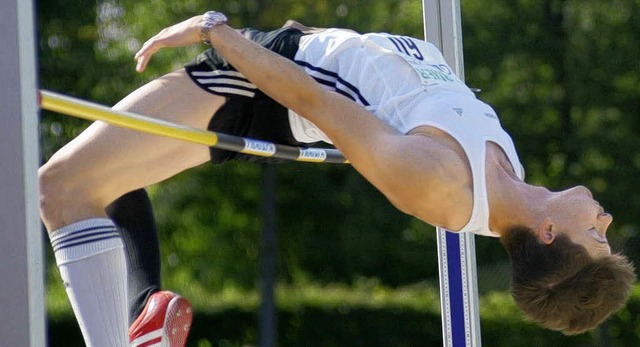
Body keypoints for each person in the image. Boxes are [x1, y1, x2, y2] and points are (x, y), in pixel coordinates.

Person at [39, 11, 635, 346]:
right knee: (102, 185)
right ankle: (142, 311)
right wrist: (319, 38)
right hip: (288, 57)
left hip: (259, 88)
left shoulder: (439, 184)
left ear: (552, 231)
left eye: (599, 236)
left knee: (59, 187)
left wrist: (216, 31)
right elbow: (386, 81)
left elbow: (316, 100)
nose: (605, 219)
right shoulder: (510, 171)